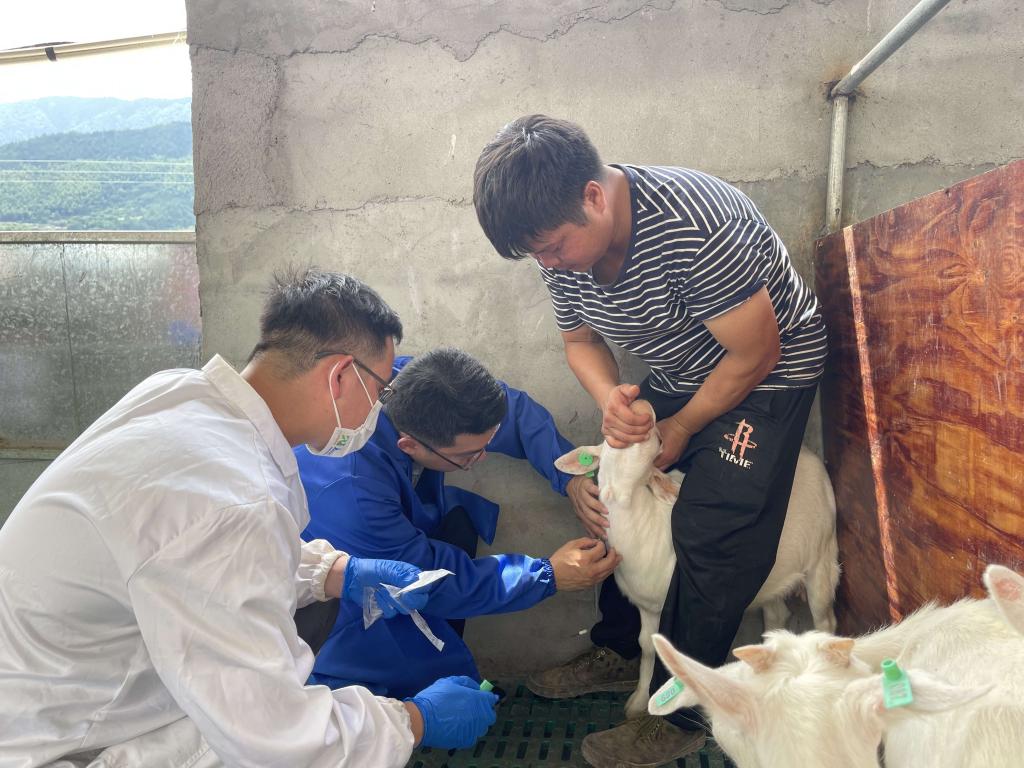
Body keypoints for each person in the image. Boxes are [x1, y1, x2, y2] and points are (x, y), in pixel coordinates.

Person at [0, 269, 497, 768]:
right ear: (341, 376)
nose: (379, 411)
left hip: (64, 674)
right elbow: (276, 735)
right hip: (58, 742)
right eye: (381, 391)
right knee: (242, 743)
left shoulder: (179, 394)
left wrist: (334, 573)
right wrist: (413, 720)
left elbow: (181, 551)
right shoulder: (232, 501)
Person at [473, 115, 827, 768]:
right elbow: (580, 340)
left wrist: (683, 427)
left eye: (552, 248)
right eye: (537, 255)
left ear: (593, 197)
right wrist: (611, 397)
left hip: (769, 374)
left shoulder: (697, 226)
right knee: (616, 488)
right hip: (687, 370)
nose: (548, 264)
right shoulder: (561, 245)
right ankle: (619, 649)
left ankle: (680, 711)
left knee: (714, 527)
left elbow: (756, 352)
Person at [297, 346, 622, 698]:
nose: (481, 458)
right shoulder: (353, 490)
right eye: (467, 456)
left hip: (396, 531)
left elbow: (513, 413)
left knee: (458, 527)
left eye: (487, 445)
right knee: (393, 672)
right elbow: (424, 577)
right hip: (345, 590)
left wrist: (569, 475)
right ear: (409, 446)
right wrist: (546, 575)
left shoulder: (413, 386)